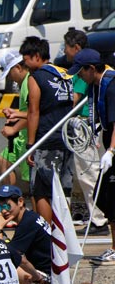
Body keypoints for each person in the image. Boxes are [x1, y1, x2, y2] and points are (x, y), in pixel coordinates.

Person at [56, 30, 109, 236]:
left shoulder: (84, 67)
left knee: (88, 173)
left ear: (76, 47)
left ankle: (99, 218)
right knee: (86, 174)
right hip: (93, 124)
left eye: (66, 47)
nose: (65, 52)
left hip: (86, 126)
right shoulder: (93, 65)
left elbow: (74, 99)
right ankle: (95, 214)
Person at [68, 48, 115, 265]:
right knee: (104, 196)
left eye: (81, 72)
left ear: (92, 69)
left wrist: (111, 151)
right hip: (107, 145)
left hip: (113, 151)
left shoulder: (111, 85)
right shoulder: (95, 86)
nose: (79, 76)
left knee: (109, 197)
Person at [20, 36, 74, 224]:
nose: (24, 64)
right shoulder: (66, 75)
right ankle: (63, 235)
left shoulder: (36, 78)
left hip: (46, 140)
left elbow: (33, 112)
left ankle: (48, 235)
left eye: (25, 59)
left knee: (42, 190)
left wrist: (31, 145)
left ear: (36, 56)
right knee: (63, 189)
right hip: (66, 139)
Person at [0, 185, 51, 283]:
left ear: (20, 202)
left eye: (7, 206)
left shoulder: (28, 223)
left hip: (48, 277)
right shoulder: (30, 217)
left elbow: (5, 256)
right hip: (52, 271)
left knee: (0, 269)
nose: (3, 211)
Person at [0, 50, 31, 187]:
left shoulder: (29, 82)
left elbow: (34, 113)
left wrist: (14, 128)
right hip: (21, 135)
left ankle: (15, 201)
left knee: (33, 184)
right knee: (3, 160)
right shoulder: (24, 83)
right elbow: (27, 111)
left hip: (28, 136)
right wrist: (15, 113)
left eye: (10, 73)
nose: (10, 78)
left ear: (17, 67)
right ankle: (11, 199)